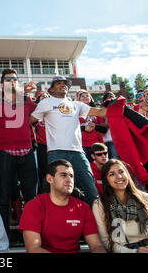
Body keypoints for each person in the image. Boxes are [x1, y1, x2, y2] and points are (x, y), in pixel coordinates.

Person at [29, 76, 107, 207]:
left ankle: (93, 222)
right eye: (58, 83)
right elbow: (30, 121)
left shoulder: (77, 105)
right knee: (57, 190)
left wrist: (118, 106)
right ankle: (55, 220)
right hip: (56, 152)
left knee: (90, 188)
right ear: (52, 89)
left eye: (65, 83)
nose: (62, 85)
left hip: (77, 152)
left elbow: (100, 112)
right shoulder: (46, 103)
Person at [0, 68, 38, 233]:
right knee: (4, 197)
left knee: (31, 197)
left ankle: (32, 232)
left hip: (28, 153)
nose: (12, 81)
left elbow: (41, 111)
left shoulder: (25, 100)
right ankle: (4, 238)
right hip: (5, 154)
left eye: (15, 79)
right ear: (2, 84)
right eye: (8, 79)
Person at [19, 159, 106, 253]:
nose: (69, 179)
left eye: (71, 176)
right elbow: (33, 248)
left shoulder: (83, 207)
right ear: (49, 179)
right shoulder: (34, 206)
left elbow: (96, 245)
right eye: (63, 175)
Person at [92, 159, 148, 253]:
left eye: (121, 172)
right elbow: (106, 241)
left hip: (147, 248)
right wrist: (135, 252)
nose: (119, 177)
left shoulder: (146, 199)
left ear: (127, 175)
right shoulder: (99, 205)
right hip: (119, 250)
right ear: (106, 180)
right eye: (112, 174)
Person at [76, 89, 107, 162]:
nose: (85, 97)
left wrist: (95, 126)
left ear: (90, 99)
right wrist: (84, 128)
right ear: (78, 99)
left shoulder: (97, 111)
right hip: (81, 143)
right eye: (82, 96)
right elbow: (70, 128)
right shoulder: (75, 111)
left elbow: (104, 129)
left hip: (96, 143)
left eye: (87, 96)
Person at [34, 91, 50, 193]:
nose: (44, 98)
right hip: (40, 145)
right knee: (41, 170)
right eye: (42, 97)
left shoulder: (53, 110)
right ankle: (42, 191)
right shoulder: (36, 112)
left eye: (46, 96)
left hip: (53, 145)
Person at [100, 92, 120, 159]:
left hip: (121, 138)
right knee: (114, 160)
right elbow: (109, 123)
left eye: (112, 97)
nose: (111, 99)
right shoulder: (103, 110)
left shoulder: (120, 108)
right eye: (109, 97)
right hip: (110, 139)